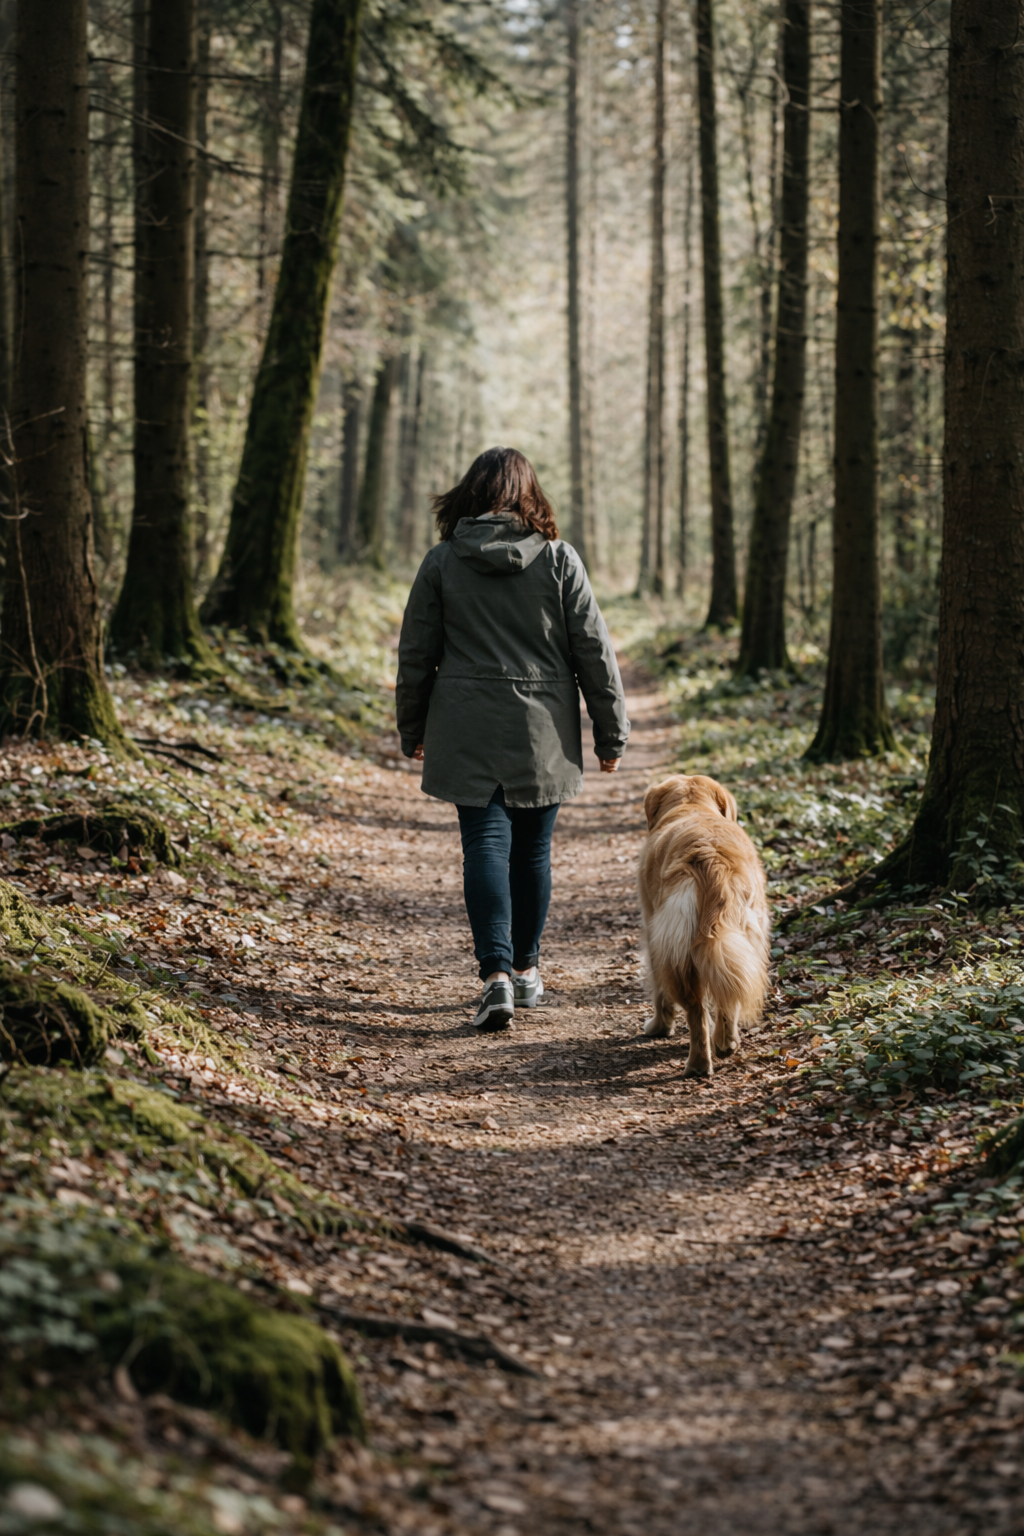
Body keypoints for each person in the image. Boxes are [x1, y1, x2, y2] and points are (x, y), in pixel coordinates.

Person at [396, 446, 630, 1031]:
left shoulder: (443, 561)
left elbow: (416, 654)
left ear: (468, 494)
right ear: (531, 495)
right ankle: (525, 970)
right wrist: (610, 733)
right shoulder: (558, 560)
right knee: (530, 852)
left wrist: (413, 726)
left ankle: (494, 976)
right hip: (542, 731)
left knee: (484, 846)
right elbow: (594, 653)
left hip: (466, 725)